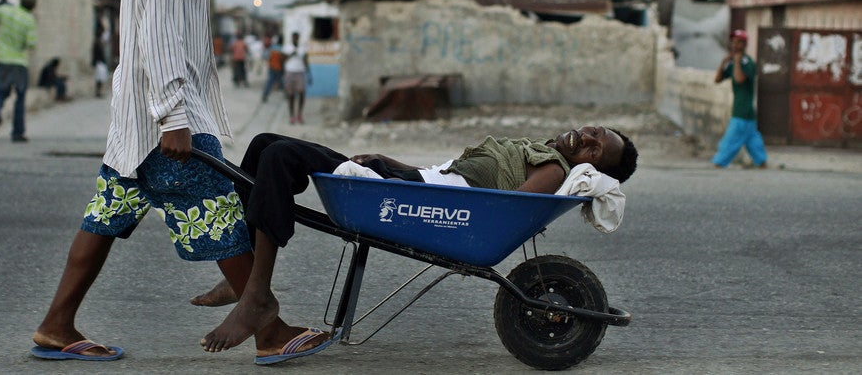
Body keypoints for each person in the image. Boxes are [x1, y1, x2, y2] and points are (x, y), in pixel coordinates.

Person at [30, 0, 331, 364]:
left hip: (138, 127)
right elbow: (159, 36)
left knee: (105, 216)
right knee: (215, 209)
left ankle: (55, 324)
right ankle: (269, 329)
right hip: (166, 122)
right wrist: (174, 116)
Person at [198, 126, 638, 355]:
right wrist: (394, 164)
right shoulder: (534, 148)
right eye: (594, 131)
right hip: (412, 184)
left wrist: (403, 177)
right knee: (264, 146)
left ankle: (255, 295)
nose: (587, 139)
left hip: (424, 200)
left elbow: (502, 209)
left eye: (596, 150)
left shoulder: (555, 168)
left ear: (596, 168)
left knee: (277, 157)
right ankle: (246, 273)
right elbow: (450, 174)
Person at [0, 0, 38, 142]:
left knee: (1, 91)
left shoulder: (6, 11)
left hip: (3, 59)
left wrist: (0, 2)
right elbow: (30, 43)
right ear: (33, 7)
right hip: (20, 62)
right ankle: (17, 133)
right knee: (20, 97)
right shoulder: (29, 20)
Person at [711, 29, 768, 168]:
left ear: (744, 44)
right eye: (733, 42)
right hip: (744, 110)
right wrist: (724, 62)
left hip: (742, 110)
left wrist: (736, 61)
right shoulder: (731, 63)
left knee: (731, 139)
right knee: (752, 139)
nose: (734, 45)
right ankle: (761, 161)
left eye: (738, 42)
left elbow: (739, 79)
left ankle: (719, 162)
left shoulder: (748, 62)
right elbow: (717, 79)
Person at [281, 32, 311, 124]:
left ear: (298, 38)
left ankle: (299, 114)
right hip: (290, 72)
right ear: (291, 38)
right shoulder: (287, 47)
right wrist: (291, 54)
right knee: (291, 95)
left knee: (302, 93)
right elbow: (282, 60)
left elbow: (306, 61)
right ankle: (291, 116)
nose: (295, 39)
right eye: (293, 38)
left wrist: (309, 74)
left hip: (300, 72)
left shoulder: (302, 48)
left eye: (296, 38)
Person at [261, 35, 284, 102]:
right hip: (279, 68)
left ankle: (265, 95)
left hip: (271, 67)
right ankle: (287, 94)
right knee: (281, 82)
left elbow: (266, 57)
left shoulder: (272, 48)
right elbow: (282, 60)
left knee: (270, 82)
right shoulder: (282, 49)